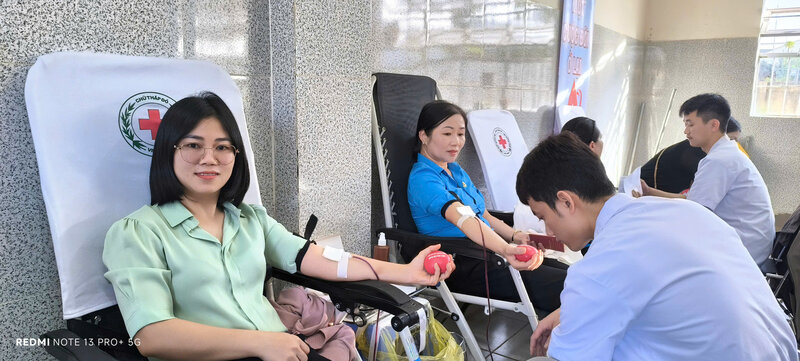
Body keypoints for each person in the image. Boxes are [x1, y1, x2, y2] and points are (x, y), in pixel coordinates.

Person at [102, 92, 455, 361]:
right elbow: (151, 335)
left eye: (222, 147)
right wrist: (262, 343)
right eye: (193, 145)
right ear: (168, 151)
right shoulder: (139, 232)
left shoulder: (250, 219)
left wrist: (407, 273)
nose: (209, 159)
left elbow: (320, 258)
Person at [517, 132, 797, 360]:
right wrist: (569, 311)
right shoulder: (688, 213)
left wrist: (571, 327)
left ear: (566, 201)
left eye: (543, 217)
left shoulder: (600, 266)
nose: (547, 230)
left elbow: (568, 353)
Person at [407, 100, 565, 314]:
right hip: (463, 264)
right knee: (565, 286)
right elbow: (464, 218)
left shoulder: (456, 171)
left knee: (572, 275)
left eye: (461, 134)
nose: (456, 142)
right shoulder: (423, 180)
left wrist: (516, 236)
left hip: (489, 254)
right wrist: (506, 249)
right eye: (447, 134)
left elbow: (483, 215)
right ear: (424, 136)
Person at [638, 94, 775, 271]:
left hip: (742, 250)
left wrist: (650, 212)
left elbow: (693, 212)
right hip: (750, 245)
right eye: (685, 124)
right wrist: (649, 193)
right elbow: (690, 200)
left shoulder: (720, 160)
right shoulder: (725, 154)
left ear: (714, 125)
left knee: (655, 245)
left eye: (690, 124)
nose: (686, 131)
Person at [514, 115, 603, 260]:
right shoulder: (646, 211)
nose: (549, 233)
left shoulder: (593, 271)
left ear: (566, 202)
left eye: (544, 218)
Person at [639, 116, 745, 194]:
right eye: (731, 139)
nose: (733, 145)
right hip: (650, 185)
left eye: (736, 141)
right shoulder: (697, 150)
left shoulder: (708, 149)